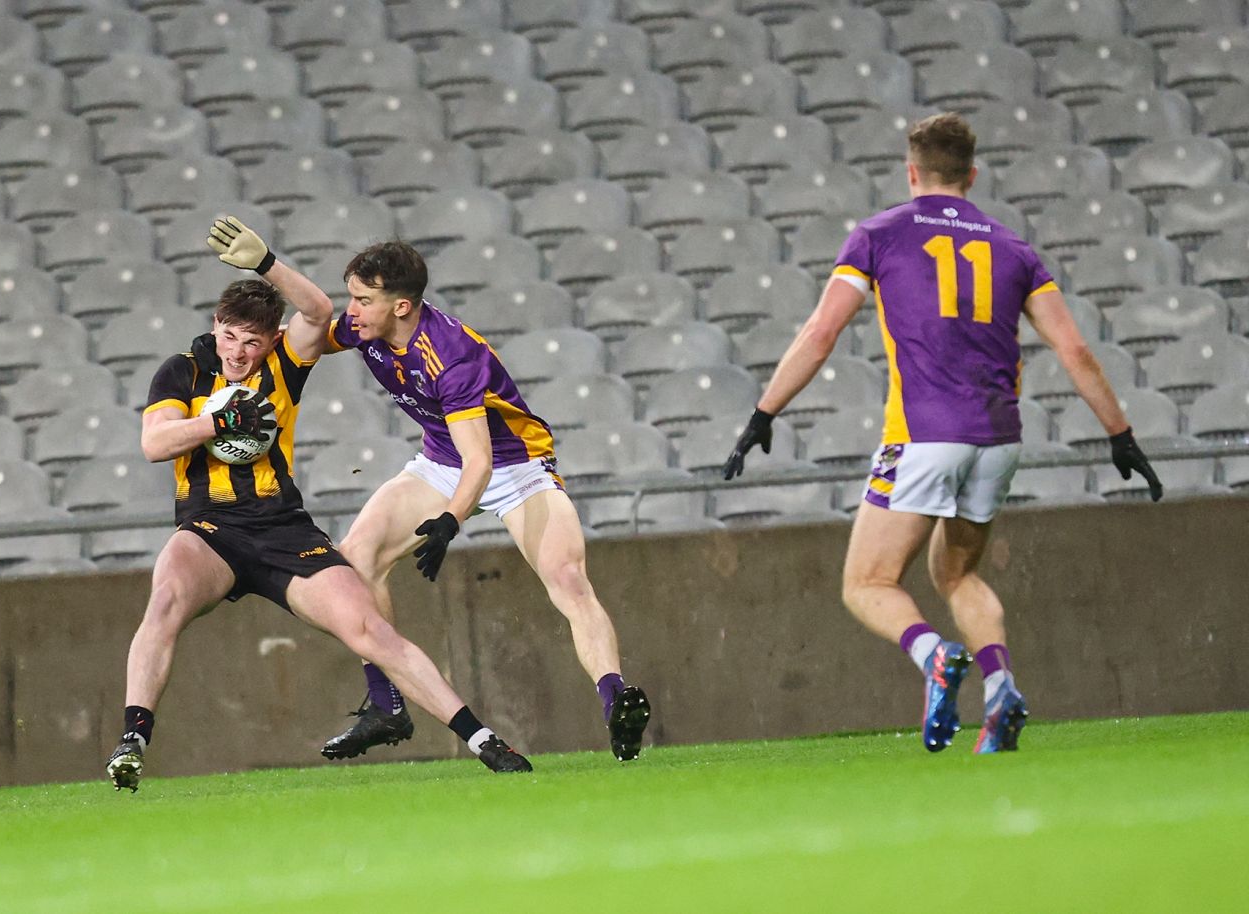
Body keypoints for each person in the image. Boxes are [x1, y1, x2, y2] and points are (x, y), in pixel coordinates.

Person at [723, 112, 1163, 754]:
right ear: (972, 174)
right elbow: (1073, 348)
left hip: (924, 433)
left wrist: (764, 413)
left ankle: (933, 656)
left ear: (911, 172)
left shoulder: (879, 235)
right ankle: (1000, 684)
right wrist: (1120, 434)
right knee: (954, 574)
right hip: (999, 438)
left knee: (868, 584)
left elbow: (821, 334)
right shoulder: (1014, 249)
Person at [105, 219, 533, 792]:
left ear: (270, 339)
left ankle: (484, 740)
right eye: (231, 337)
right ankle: (133, 741)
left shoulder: (285, 361)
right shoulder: (182, 370)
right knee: (165, 601)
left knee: (370, 630)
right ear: (216, 327)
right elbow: (155, 444)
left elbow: (315, 311)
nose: (239, 352)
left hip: (284, 529)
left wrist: (266, 263)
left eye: (253, 342)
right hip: (211, 529)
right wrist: (216, 421)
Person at [205, 225, 652, 763]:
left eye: (364, 300)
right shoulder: (364, 326)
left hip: (516, 466)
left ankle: (615, 701)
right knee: (358, 554)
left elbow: (481, 461)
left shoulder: (450, 356)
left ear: (400, 306)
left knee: (567, 580)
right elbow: (307, 330)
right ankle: (386, 703)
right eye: (352, 297)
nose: (353, 310)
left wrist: (449, 523)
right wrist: (252, 312)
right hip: (441, 462)